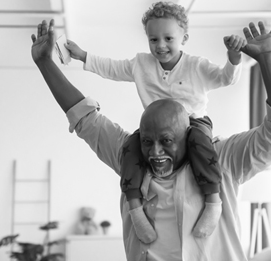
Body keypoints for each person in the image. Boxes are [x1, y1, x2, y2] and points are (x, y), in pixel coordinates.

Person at [31, 19, 271, 260]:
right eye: (147, 141)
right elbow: (85, 118)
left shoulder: (222, 158)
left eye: (167, 141)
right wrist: (45, 62)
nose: (155, 152)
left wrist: (269, 59)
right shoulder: (130, 155)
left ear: (187, 135)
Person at [63, 1, 247, 243]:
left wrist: (234, 58)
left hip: (193, 123)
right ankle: (136, 210)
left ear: (184, 37)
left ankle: (213, 202)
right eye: (154, 40)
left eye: (168, 38)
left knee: (202, 145)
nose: (160, 46)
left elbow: (226, 78)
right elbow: (112, 68)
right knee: (130, 148)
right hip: (155, 128)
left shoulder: (196, 66)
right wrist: (82, 55)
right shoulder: (141, 64)